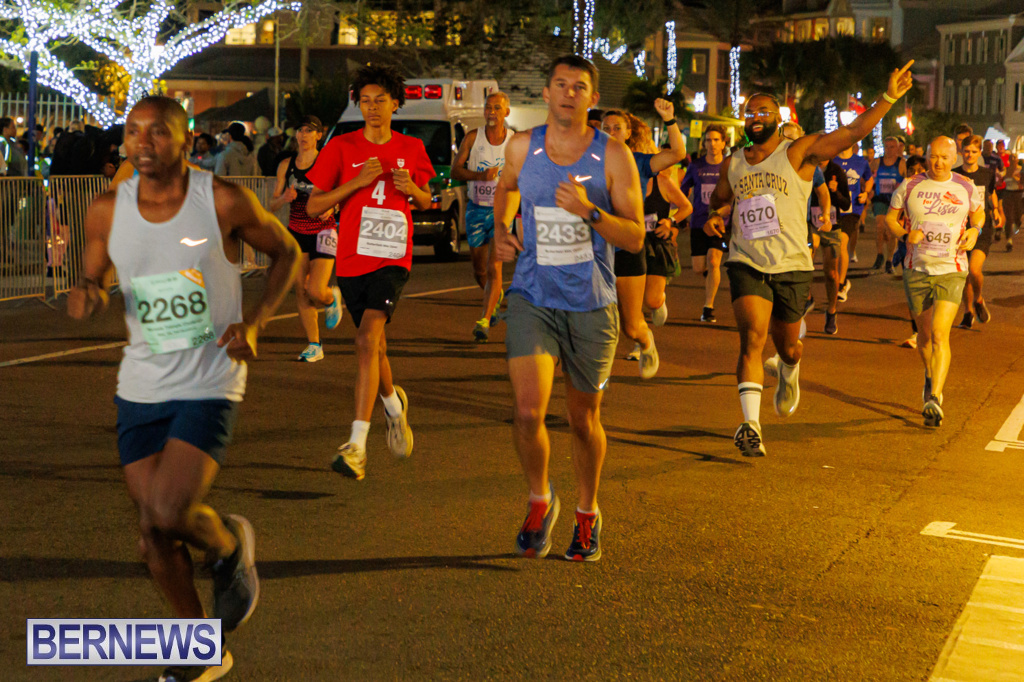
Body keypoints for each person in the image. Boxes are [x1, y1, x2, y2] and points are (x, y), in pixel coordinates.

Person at [67, 96, 300, 682]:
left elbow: (286, 252)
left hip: (210, 377)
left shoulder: (220, 200)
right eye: (133, 132)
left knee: (169, 510)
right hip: (140, 381)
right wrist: (88, 292)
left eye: (158, 133)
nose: (142, 143)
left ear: (186, 138)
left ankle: (224, 547)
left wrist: (258, 321)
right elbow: (93, 274)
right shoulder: (104, 210)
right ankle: (203, 644)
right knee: (152, 533)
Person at [704, 62, 915, 457]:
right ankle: (750, 424)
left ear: (779, 118)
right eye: (750, 112)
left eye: (764, 112)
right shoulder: (733, 163)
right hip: (746, 261)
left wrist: (887, 98)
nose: (755, 118)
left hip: (792, 265)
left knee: (789, 347)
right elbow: (719, 200)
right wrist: (716, 217)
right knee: (751, 338)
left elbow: (851, 132)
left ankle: (788, 369)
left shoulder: (798, 152)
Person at [493, 55, 644, 562]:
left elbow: (636, 235)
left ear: (592, 99)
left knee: (583, 419)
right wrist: (501, 230)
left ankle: (586, 511)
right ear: (548, 91)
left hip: (590, 304)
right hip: (533, 295)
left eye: (579, 87)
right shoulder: (522, 146)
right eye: (559, 84)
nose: (567, 93)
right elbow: (505, 188)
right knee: (528, 410)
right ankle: (540, 499)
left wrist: (591, 212)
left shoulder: (614, 156)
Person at [306, 63, 435, 480]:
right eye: (366, 101)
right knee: (375, 348)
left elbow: (427, 201)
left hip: (393, 257)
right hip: (351, 259)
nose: (373, 108)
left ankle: (356, 446)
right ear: (357, 104)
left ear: (395, 104)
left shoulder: (412, 147)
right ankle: (394, 407)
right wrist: (356, 183)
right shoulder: (341, 147)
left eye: (381, 100)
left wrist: (411, 188)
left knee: (365, 340)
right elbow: (314, 207)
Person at [885, 136, 983, 427]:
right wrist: (904, 235)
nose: (938, 162)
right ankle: (930, 377)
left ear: (954, 159)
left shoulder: (965, 186)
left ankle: (935, 398)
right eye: (933, 157)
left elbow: (979, 213)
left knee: (941, 334)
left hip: (952, 268)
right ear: (926, 157)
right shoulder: (910, 185)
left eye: (944, 157)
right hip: (916, 269)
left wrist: (975, 231)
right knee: (925, 337)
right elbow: (891, 219)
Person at [600, 102, 684, 378]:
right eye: (606, 128)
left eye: (617, 128)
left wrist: (669, 120)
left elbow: (677, 153)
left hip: (628, 246)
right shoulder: (587, 161)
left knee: (630, 325)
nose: (611, 132)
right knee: (593, 315)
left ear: (627, 132)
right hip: (596, 246)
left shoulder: (638, 162)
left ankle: (645, 341)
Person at [269, 115, 343, 362]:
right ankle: (314, 345)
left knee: (315, 289)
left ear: (319, 135)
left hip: (324, 230)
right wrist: (283, 199)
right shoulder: (286, 165)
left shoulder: (329, 161)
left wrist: (332, 207)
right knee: (301, 291)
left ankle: (331, 297)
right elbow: (271, 204)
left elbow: (343, 193)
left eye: (309, 131)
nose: (303, 135)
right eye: (300, 131)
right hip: (297, 231)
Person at [451, 92, 514, 342]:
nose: (491, 112)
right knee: (479, 270)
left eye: (497, 108)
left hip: (501, 212)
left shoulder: (513, 142)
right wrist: (480, 177)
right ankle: (494, 297)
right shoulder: (472, 137)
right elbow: (456, 170)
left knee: (494, 266)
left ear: (506, 113)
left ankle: (484, 320)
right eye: (488, 108)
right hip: (476, 209)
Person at [954, 135, 1005, 329]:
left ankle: (979, 298)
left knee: (974, 269)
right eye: (966, 151)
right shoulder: (954, 174)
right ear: (962, 152)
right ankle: (968, 313)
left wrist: (997, 212)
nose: (970, 155)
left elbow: (991, 193)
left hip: (982, 227)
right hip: (959, 228)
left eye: (974, 151)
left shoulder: (986, 174)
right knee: (964, 274)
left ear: (979, 153)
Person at [681, 124, 729, 322]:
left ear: (724, 142)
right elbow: (683, 190)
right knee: (699, 268)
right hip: (698, 222)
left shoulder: (728, 166)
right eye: (708, 140)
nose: (712, 144)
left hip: (720, 222)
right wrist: (679, 213)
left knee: (714, 260)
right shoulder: (696, 166)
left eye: (716, 140)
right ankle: (710, 276)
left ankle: (708, 307)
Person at [643, 144, 692, 324]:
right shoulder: (625, 180)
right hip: (631, 241)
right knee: (627, 302)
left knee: (652, 300)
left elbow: (687, 207)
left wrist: (670, 222)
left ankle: (659, 297)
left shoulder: (662, 182)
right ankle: (637, 346)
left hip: (657, 244)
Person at [811, 157, 851, 335]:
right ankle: (807, 299)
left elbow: (846, 204)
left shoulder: (837, 171)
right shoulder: (807, 167)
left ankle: (832, 311)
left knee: (831, 273)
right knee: (803, 264)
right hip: (810, 223)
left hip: (831, 225)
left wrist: (835, 193)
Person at [833, 144, 873, 287]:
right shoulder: (832, 160)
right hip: (835, 208)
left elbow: (869, 179)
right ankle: (834, 277)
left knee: (842, 241)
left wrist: (866, 193)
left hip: (853, 208)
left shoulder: (860, 161)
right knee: (834, 246)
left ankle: (841, 283)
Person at [870, 136, 906, 273]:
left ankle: (889, 260)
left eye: (892, 147)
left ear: (897, 148)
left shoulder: (901, 163)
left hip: (895, 201)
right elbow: (866, 176)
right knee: (879, 226)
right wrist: (868, 189)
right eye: (887, 147)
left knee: (891, 232)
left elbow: (908, 180)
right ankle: (879, 255)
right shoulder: (877, 162)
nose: (889, 150)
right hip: (880, 198)